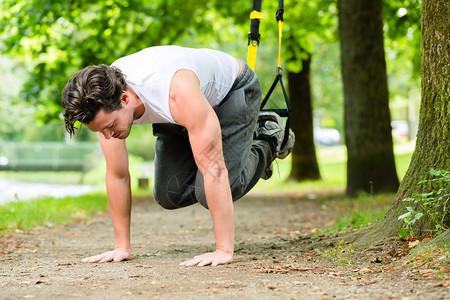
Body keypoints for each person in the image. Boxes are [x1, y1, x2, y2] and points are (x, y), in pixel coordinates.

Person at [62, 45, 294, 267]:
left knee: (213, 189)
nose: (107, 135)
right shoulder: (103, 102)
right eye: (101, 130)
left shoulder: (176, 92)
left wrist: (223, 250)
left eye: (110, 126)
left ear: (124, 99)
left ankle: (270, 139)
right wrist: (121, 246)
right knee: (168, 195)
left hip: (231, 91)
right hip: (175, 113)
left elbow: (214, 169)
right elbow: (118, 175)